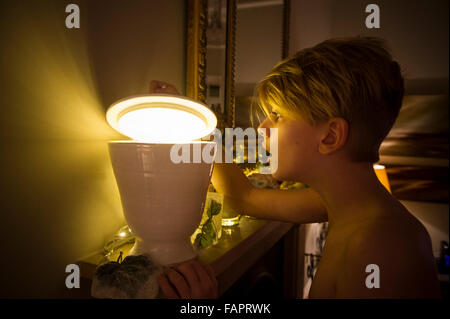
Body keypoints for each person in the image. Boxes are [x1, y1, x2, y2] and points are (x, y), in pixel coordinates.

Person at [153, 36, 442, 298]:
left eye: (277, 116)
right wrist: (189, 118)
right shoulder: (344, 204)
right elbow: (243, 197)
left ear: (330, 137)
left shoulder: (379, 249)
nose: (263, 128)